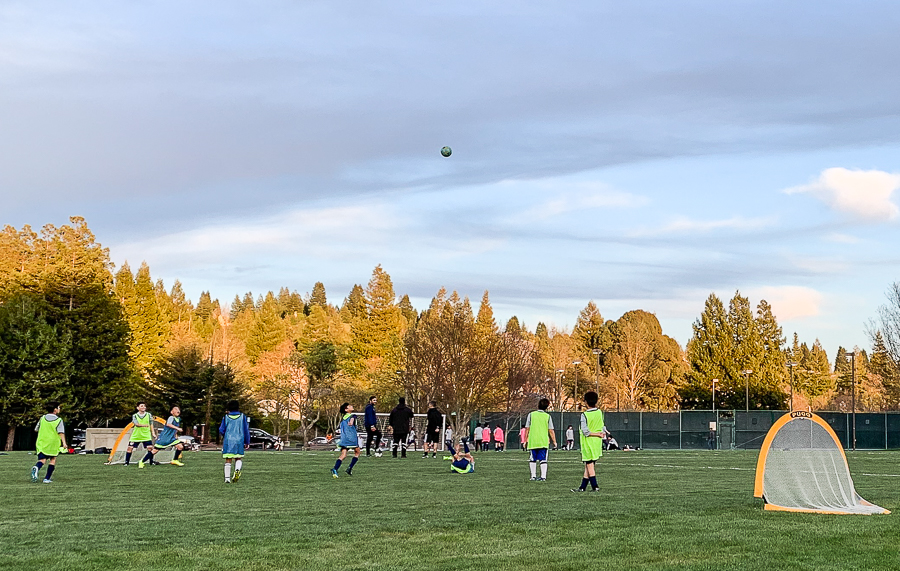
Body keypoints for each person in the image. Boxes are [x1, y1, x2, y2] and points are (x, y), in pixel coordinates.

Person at [572, 391, 605, 493]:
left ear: (586, 402)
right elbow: (602, 426)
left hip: (588, 443)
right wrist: (600, 434)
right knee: (589, 465)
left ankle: (595, 486)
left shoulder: (585, 415)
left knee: (589, 464)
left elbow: (585, 432)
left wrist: (597, 434)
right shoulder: (599, 412)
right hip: (597, 443)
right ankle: (582, 487)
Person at [30, 401, 67, 484]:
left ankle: (36, 467)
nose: (59, 409)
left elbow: (36, 429)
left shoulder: (42, 418)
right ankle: (47, 478)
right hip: (53, 443)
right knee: (53, 459)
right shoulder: (59, 420)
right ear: (55, 410)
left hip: (42, 442)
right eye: (58, 407)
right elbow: (61, 432)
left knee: (42, 460)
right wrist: (64, 443)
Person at [523, 398, 557, 481]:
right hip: (543, 441)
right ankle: (543, 477)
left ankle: (533, 476)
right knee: (543, 459)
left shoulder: (531, 415)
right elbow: (551, 430)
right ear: (547, 407)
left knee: (532, 459)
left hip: (533, 441)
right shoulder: (547, 416)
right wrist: (554, 441)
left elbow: (527, 428)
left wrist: (525, 440)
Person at [219, 400, 250, 484]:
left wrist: (225, 434)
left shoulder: (226, 417)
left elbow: (221, 429)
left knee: (228, 459)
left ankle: (227, 479)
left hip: (228, 440)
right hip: (239, 440)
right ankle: (237, 469)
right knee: (238, 457)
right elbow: (246, 430)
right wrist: (247, 441)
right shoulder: (242, 416)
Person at [332, 402, 361, 477]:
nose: (352, 406)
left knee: (343, 455)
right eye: (349, 406)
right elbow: (351, 420)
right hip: (351, 438)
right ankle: (350, 468)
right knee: (357, 452)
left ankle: (335, 469)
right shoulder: (353, 415)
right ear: (346, 409)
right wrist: (351, 422)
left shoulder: (343, 417)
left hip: (344, 438)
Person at [125, 402, 155, 467]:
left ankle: (151, 461)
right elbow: (136, 424)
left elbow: (151, 424)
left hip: (146, 435)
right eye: (141, 406)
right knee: (130, 448)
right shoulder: (135, 415)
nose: (143, 407)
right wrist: (144, 425)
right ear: (138, 408)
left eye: (144, 406)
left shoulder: (149, 415)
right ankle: (126, 462)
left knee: (150, 448)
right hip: (136, 435)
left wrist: (153, 432)